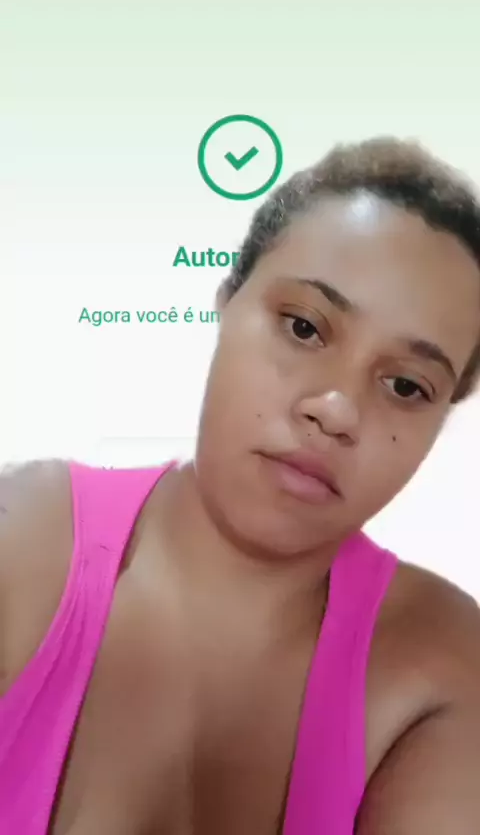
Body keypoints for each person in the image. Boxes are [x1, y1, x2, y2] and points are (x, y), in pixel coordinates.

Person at [1, 137, 480, 835]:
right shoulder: (23, 534)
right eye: (304, 327)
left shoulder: (442, 667)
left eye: (406, 385)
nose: (336, 409)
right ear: (227, 301)